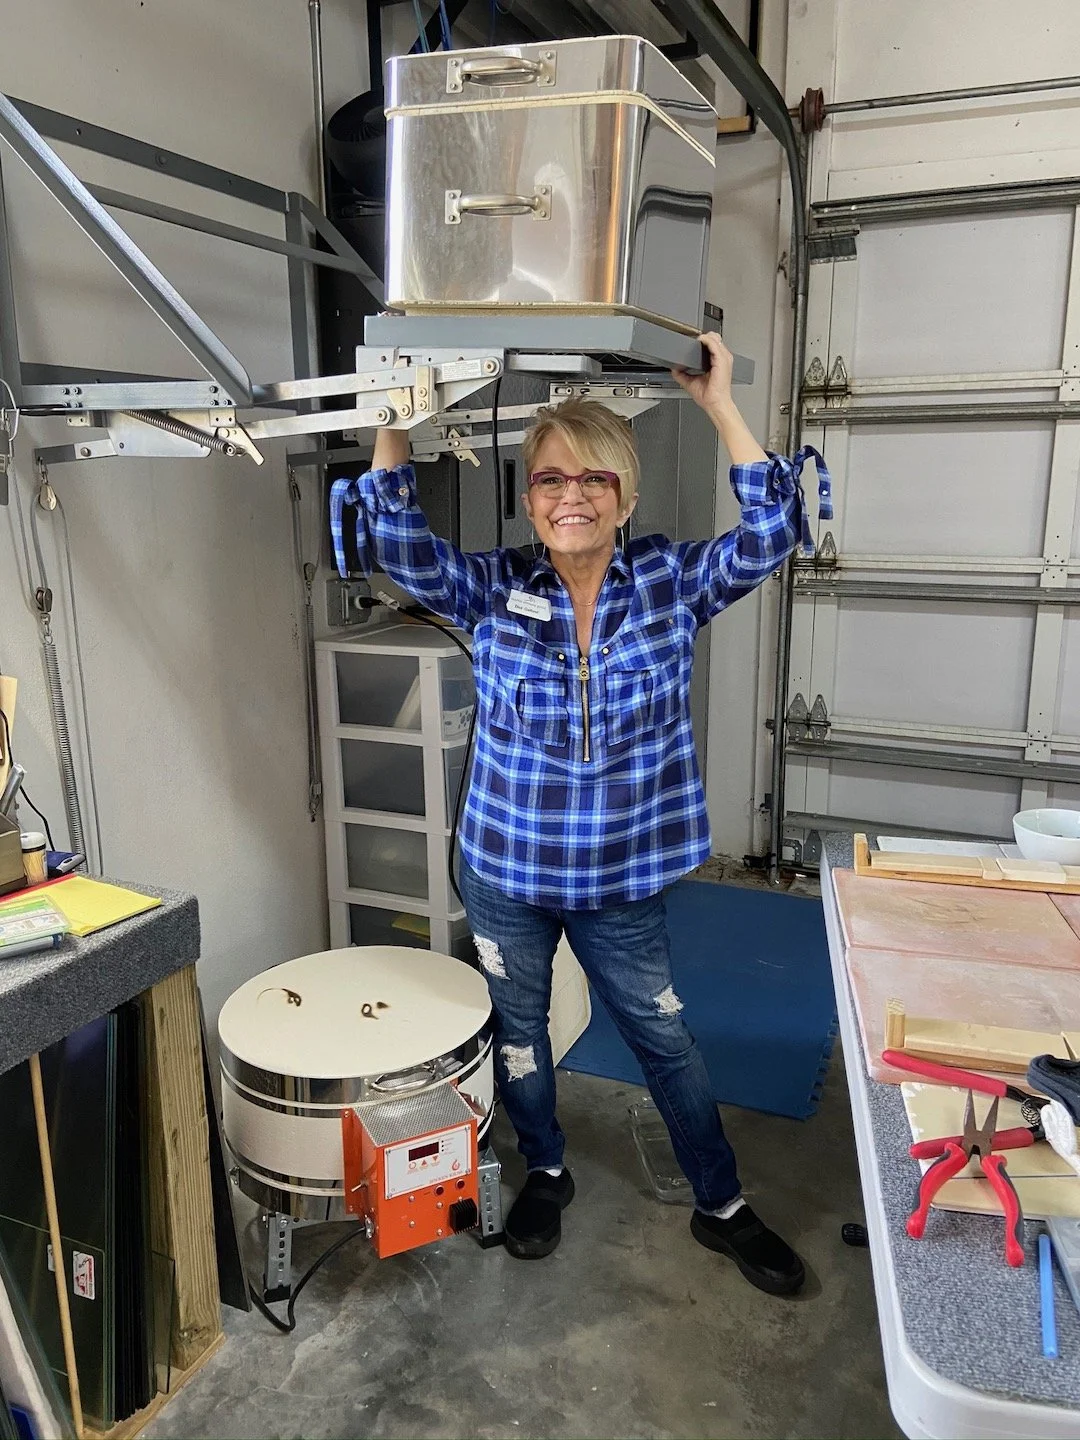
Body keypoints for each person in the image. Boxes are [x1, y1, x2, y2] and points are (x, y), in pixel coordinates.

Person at [331, 332, 829, 1295]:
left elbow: (774, 531)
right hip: (509, 872)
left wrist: (720, 405)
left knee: (664, 1037)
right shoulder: (493, 589)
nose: (572, 495)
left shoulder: (670, 583)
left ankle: (722, 1203)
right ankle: (548, 1172)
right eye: (551, 478)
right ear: (529, 499)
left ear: (626, 499)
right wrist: (394, 415)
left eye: (595, 478)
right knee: (519, 1032)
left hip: (619, 880)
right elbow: (397, 543)